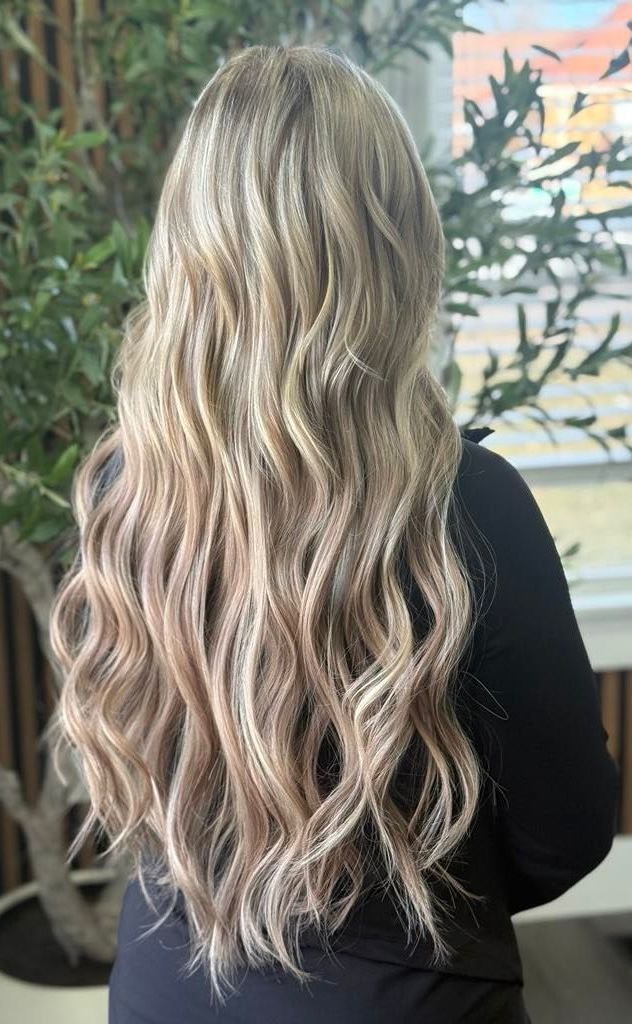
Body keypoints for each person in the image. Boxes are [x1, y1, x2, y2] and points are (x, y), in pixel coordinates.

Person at [48, 44, 620, 1024]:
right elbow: (566, 834)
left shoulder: (118, 483)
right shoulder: (469, 509)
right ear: (396, 245)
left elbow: (136, 776)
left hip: (163, 994)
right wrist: (406, 904)